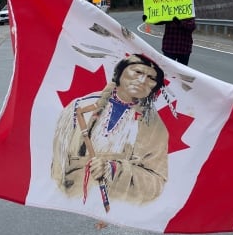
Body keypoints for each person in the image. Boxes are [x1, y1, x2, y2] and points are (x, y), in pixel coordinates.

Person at [51, 54, 169, 206]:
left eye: (151, 78)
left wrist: (113, 169)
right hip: (73, 200)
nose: (142, 81)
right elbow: (59, 163)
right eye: (138, 72)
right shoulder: (80, 108)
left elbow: (156, 182)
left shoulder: (153, 126)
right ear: (119, 74)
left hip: (118, 206)